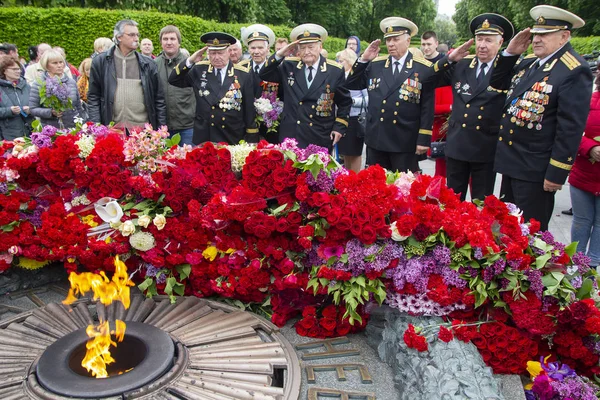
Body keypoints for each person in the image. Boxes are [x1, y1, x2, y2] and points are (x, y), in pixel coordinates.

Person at [489, 5, 593, 231]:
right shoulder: (531, 63)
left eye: (544, 34)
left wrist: (557, 172)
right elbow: (497, 82)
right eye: (535, 34)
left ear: (564, 36)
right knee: (508, 229)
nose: (536, 39)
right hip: (513, 162)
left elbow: (570, 128)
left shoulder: (573, 70)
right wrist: (510, 53)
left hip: (536, 169)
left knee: (531, 235)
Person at [345, 17, 437, 173]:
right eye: (388, 40)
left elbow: (427, 106)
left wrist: (424, 138)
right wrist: (364, 59)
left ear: (408, 41)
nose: (390, 44)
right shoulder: (376, 64)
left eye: (396, 39)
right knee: (376, 189)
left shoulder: (422, 68)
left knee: (403, 189)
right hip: (377, 138)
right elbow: (352, 83)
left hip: (405, 139)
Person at [439, 14, 514, 201]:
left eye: (488, 40)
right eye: (479, 39)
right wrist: (449, 59)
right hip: (458, 145)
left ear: (500, 42)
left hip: (485, 147)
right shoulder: (462, 64)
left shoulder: (507, 69)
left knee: (481, 205)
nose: (482, 45)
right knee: (452, 204)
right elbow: (428, 78)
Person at [260, 23, 351, 150]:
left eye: (311, 47)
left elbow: (345, 102)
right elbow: (264, 74)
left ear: (320, 47)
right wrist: (280, 55)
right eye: (302, 48)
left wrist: (339, 127)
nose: (306, 52)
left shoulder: (334, 70)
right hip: (291, 136)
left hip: (319, 135)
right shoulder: (289, 66)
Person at [168, 31, 258, 145]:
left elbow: (249, 109)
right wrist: (190, 60)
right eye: (212, 53)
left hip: (231, 135)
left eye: (220, 53)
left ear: (228, 52)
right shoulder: (199, 70)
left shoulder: (243, 74)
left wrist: (251, 138)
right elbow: (174, 80)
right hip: (205, 136)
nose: (216, 57)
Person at [88, 19, 166, 131]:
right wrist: (96, 128)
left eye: (137, 35)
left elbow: (159, 99)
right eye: (132, 35)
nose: (136, 39)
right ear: (119, 37)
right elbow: (93, 97)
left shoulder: (148, 64)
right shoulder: (101, 62)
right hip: (112, 129)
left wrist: (161, 130)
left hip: (142, 131)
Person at [568, 69, 600, 268]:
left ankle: (593, 264)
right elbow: (570, 132)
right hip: (583, 173)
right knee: (581, 221)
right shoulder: (588, 100)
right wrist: (590, 148)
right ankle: (575, 263)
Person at [238, 24, 280, 143]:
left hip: (270, 128)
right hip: (245, 126)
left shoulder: (277, 69)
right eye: (253, 48)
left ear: (268, 49)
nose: (256, 52)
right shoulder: (241, 68)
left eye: (260, 48)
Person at [155, 25, 196, 146]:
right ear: (161, 43)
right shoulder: (153, 65)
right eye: (165, 39)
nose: (169, 42)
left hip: (187, 127)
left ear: (179, 42)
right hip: (163, 128)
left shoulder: (189, 64)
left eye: (172, 39)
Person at [29, 49, 85, 129]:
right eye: (55, 63)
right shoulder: (39, 84)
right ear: (46, 65)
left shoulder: (71, 82)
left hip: (72, 128)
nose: (59, 65)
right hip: (51, 129)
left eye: (61, 62)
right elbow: (33, 109)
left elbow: (78, 106)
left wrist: (81, 124)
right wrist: (51, 112)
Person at [336, 48, 367, 172]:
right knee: (345, 153)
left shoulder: (359, 76)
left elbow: (367, 99)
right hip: (342, 118)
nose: (339, 63)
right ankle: (347, 177)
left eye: (341, 60)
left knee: (354, 153)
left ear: (349, 61)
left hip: (355, 119)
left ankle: (355, 178)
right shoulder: (340, 75)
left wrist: (350, 101)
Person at [0, 55, 32, 140]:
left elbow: (38, 106)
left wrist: (31, 109)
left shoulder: (26, 86)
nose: (18, 71)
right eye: (14, 69)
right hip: (8, 135)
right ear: (4, 70)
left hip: (30, 132)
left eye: (18, 69)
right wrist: (9, 111)